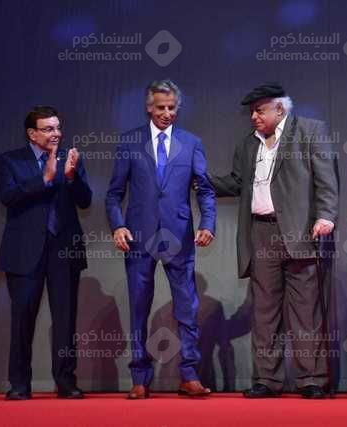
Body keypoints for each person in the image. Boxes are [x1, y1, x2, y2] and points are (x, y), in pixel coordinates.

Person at [208, 82, 338, 399]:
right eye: (252, 112)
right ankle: (267, 379)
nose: (254, 117)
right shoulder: (248, 144)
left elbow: (326, 179)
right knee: (264, 311)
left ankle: (311, 379)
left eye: (259, 110)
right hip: (260, 232)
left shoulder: (309, 131)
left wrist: (326, 215)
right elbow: (237, 183)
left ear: (279, 109)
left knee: (305, 311)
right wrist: (199, 179)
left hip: (300, 232)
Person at [105, 79, 216, 399]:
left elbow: (205, 189)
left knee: (187, 308)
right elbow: (113, 194)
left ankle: (189, 375)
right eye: (161, 108)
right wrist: (117, 226)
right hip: (138, 236)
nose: (167, 113)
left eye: (172, 108)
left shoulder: (191, 143)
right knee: (139, 307)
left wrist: (208, 223)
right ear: (148, 108)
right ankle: (139, 378)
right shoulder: (130, 142)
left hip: (178, 235)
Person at [0, 106, 92, 400]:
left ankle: (66, 381)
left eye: (58, 127)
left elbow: (85, 201)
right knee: (22, 320)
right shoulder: (9, 161)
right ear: (32, 133)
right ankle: (19, 384)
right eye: (49, 129)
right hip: (24, 252)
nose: (56, 134)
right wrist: (45, 178)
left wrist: (72, 177)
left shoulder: (69, 158)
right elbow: (8, 196)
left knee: (65, 320)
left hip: (64, 250)